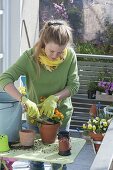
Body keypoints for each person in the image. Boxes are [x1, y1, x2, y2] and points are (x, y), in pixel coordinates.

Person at [0, 19, 80, 170]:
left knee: (59, 161)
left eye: (60, 51)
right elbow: (5, 79)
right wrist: (23, 99)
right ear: (44, 42)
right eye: (51, 51)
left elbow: (74, 86)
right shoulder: (30, 57)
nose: (56, 56)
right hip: (35, 117)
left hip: (61, 116)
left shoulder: (70, 57)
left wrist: (55, 97)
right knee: (36, 161)